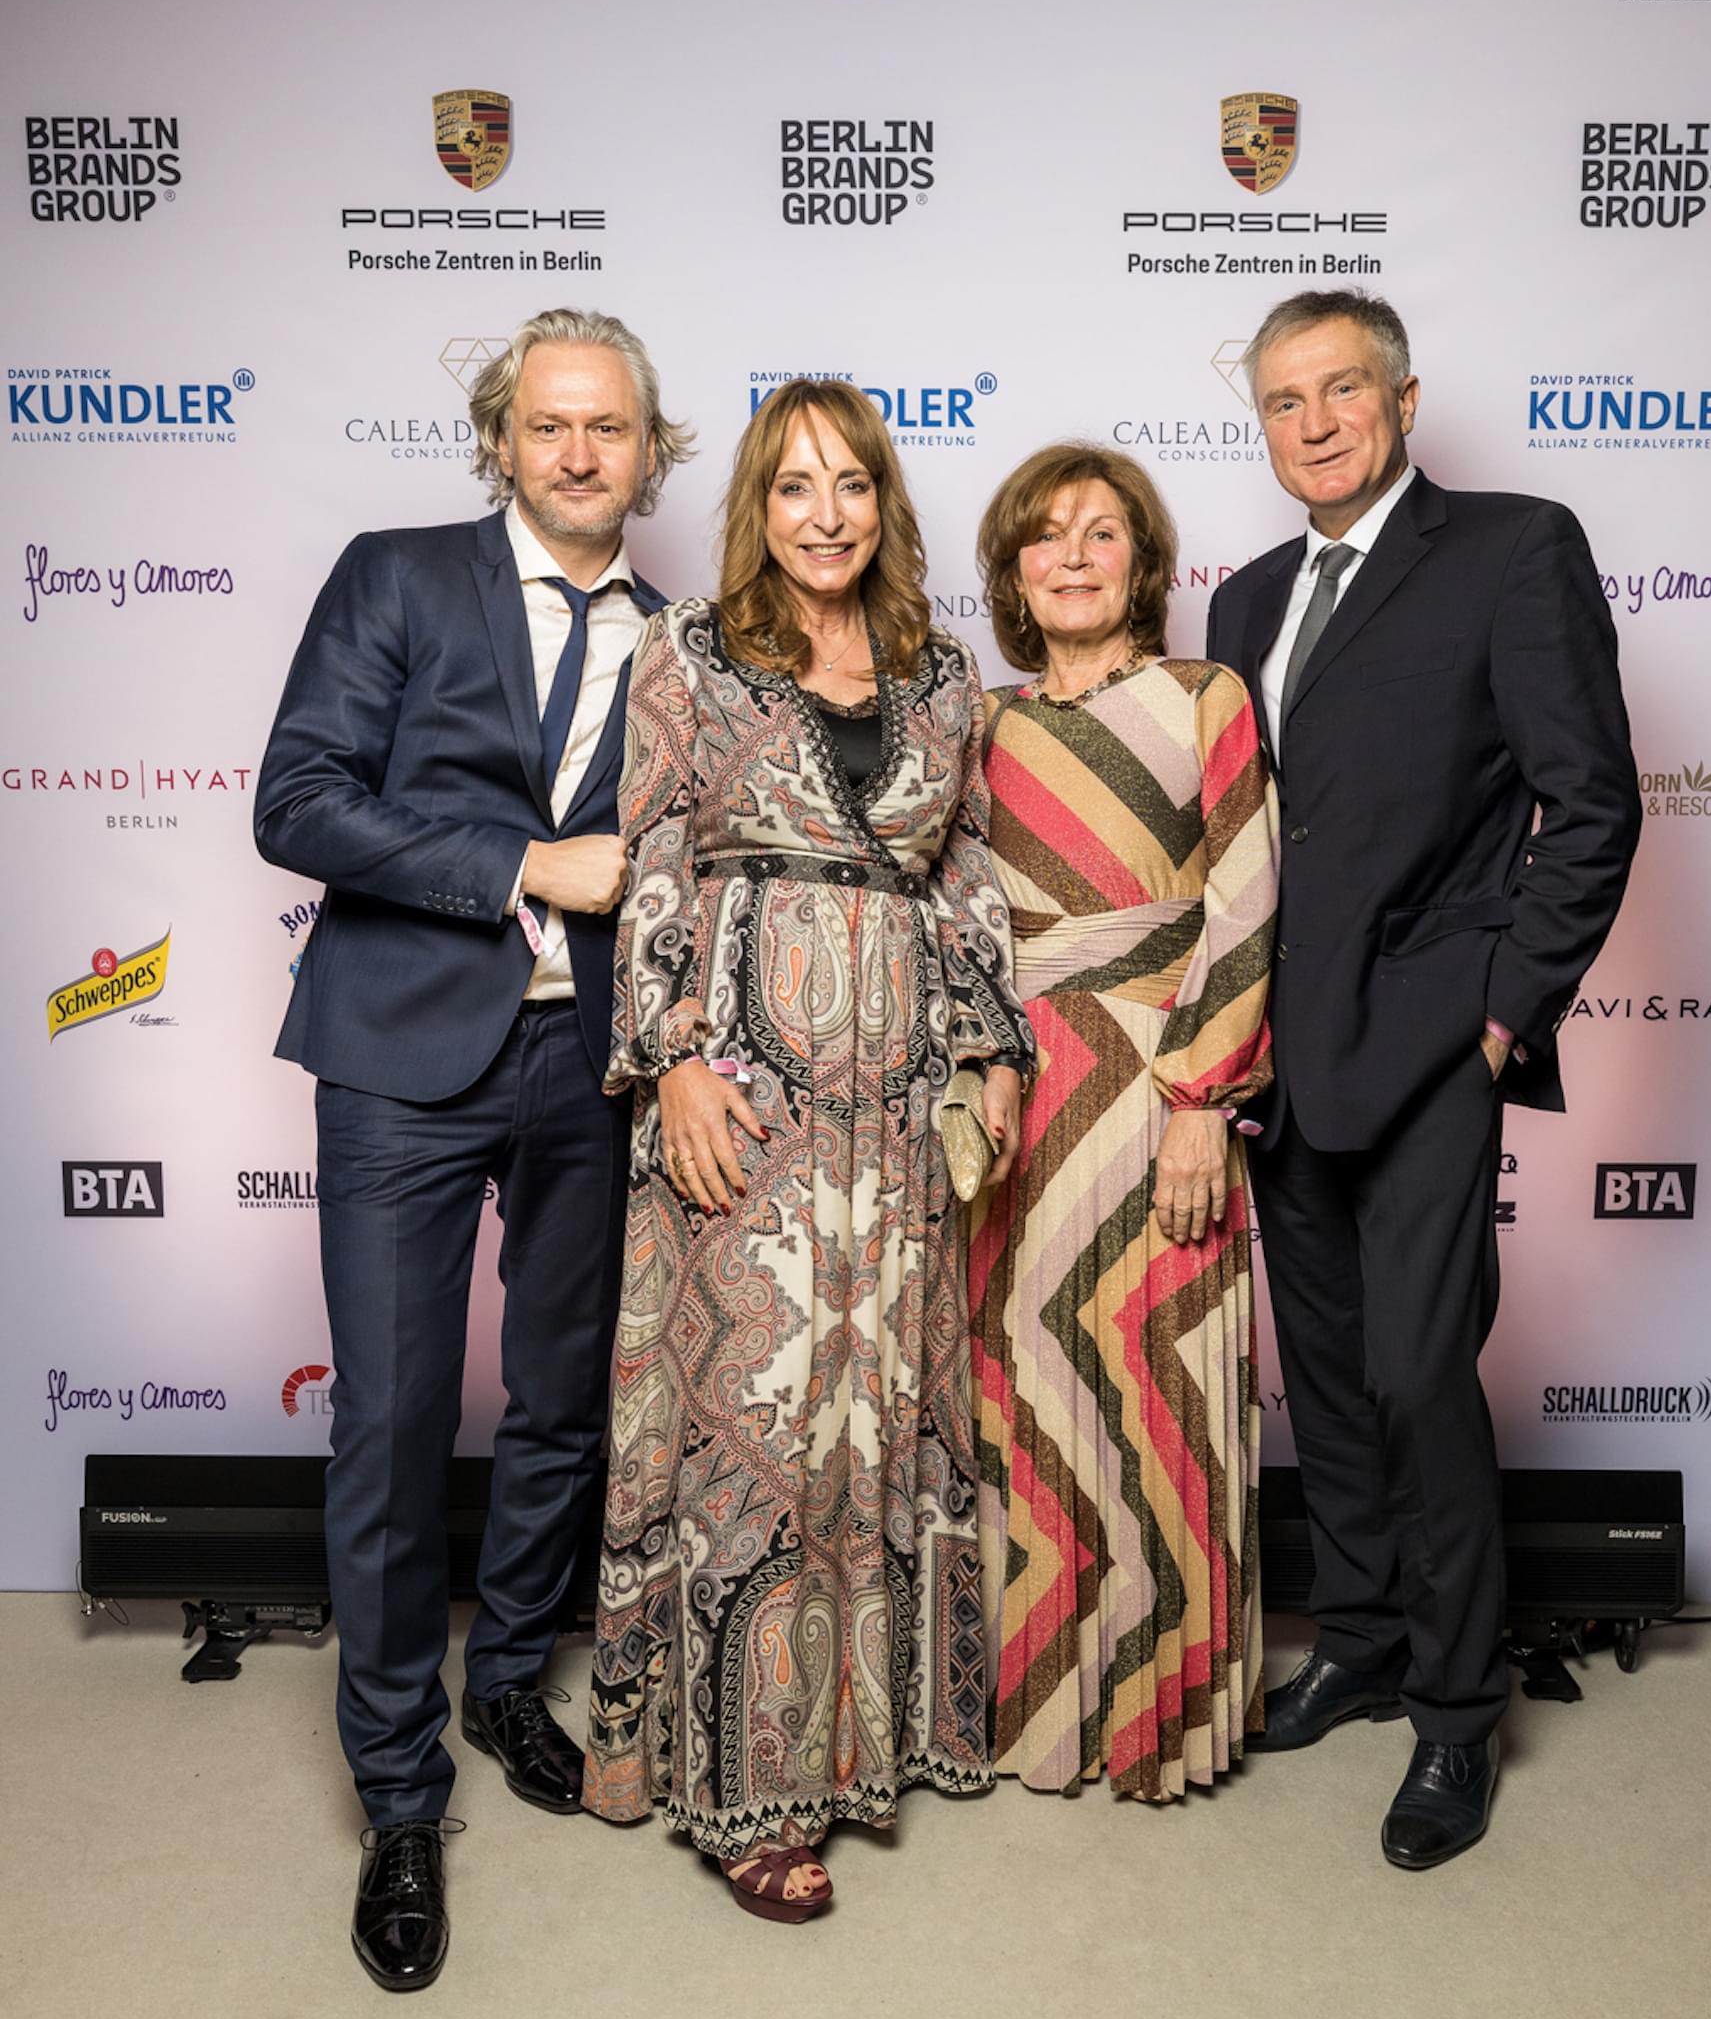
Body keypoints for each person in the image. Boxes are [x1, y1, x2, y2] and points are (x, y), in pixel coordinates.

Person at [254, 307, 693, 1989]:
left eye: (610, 427)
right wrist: (520, 864)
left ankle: (509, 1677)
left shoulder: (684, 643)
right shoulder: (398, 576)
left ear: (650, 454)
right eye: (549, 423)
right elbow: (298, 801)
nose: (580, 452)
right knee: (390, 1422)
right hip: (400, 1059)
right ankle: (397, 1790)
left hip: (592, 1063)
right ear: (502, 439)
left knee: (565, 1398)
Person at [583, 378, 1033, 1920]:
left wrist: (989, 1046)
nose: (824, 515)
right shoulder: (691, 651)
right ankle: (746, 1777)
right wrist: (671, 1063)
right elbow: (653, 855)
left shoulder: (940, 673)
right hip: (745, 1094)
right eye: (794, 486)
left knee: (874, 1413)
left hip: (896, 1104)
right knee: (754, 1420)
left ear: (882, 504)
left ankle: (867, 1740)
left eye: (850, 485)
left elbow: (964, 873)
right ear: (757, 509)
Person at [1207, 289, 1639, 1869]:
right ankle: (1366, 1636)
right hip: (1281, 1048)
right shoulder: (1246, 601)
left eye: (1342, 390)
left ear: (1400, 399)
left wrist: (1504, 1014)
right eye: (1283, 401)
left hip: (1436, 1043)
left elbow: (1591, 799)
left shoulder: (1514, 548)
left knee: (1415, 1377)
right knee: (1324, 1378)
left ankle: (1458, 1709)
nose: (1314, 423)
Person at [969, 445, 1279, 1801]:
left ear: (1144, 563)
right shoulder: (979, 724)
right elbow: (954, 922)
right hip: (1016, 1099)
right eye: (1046, 537)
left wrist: (1203, 1098)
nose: (1075, 556)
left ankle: (1164, 1718)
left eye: (1103, 533)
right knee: (1021, 1396)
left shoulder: (1209, 698)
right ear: (1013, 572)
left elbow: (1247, 901)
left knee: (1162, 1392)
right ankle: (1036, 1708)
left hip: (1159, 1084)